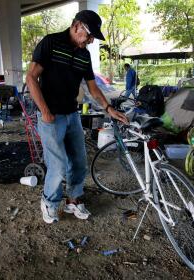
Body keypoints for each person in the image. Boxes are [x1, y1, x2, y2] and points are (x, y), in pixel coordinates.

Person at [26, 10, 128, 224]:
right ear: (76, 26)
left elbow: (93, 88)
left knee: (79, 161)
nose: (90, 40)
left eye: (92, 37)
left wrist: (108, 108)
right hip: (50, 116)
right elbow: (31, 77)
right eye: (89, 34)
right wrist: (44, 110)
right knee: (59, 165)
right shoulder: (50, 43)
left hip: (71, 114)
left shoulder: (84, 55)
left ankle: (74, 199)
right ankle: (49, 202)